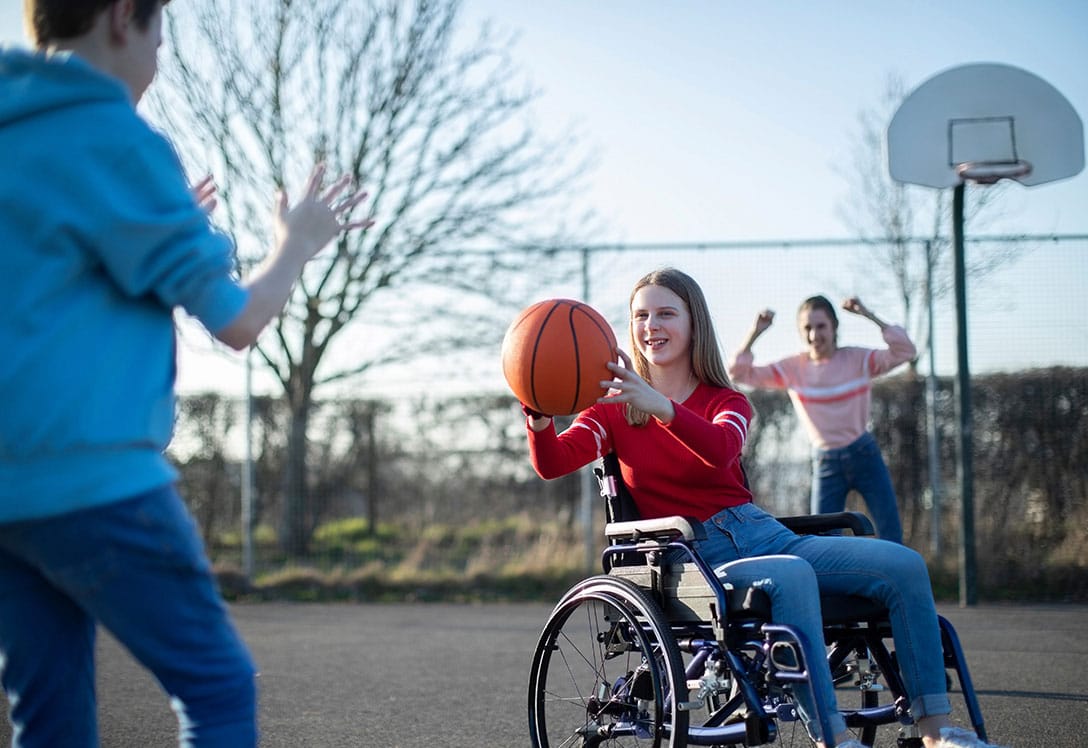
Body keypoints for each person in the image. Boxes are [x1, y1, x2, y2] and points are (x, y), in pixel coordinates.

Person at [0, 2, 372, 746]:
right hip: (98, 486)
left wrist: (178, 227)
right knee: (216, 687)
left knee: (51, 712)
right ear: (120, 19)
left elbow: (69, 280)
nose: (159, 59)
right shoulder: (118, 140)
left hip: (9, 498)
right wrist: (294, 242)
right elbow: (236, 320)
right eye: (160, 38)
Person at [523, 268, 999, 748]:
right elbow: (553, 462)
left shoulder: (727, 400)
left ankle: (937, 732)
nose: (651, 325)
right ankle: (834, 738)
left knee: (905, 566)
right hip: (686, 555)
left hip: (762, 534)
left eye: (666, 313)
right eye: (641, 315)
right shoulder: (612, 409)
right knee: (790, 575)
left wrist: (662, 406)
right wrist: (538, 418)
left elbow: (721, 449)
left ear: (694, 324)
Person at [728, 295, 917, 543]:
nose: (814, 335)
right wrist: (756, 332)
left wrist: (867, 313)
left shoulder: (859, 360)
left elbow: (905, 350)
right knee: (824, 540)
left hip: (865, 455)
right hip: (826, 464)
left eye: (821, 326)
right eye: (807, 328)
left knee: (890, 533)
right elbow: (738, 373)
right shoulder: (792, 369)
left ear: (834, 327)